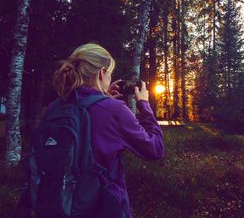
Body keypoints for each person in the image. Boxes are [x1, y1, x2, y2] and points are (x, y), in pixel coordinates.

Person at [51, 43, 164, 217]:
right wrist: (145, 105)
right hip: (102, 208)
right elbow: (155, 149)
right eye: (109, 73)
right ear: (102, 73)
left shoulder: (55, 108)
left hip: (58, 205)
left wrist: (103, 99)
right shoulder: (114, 110)